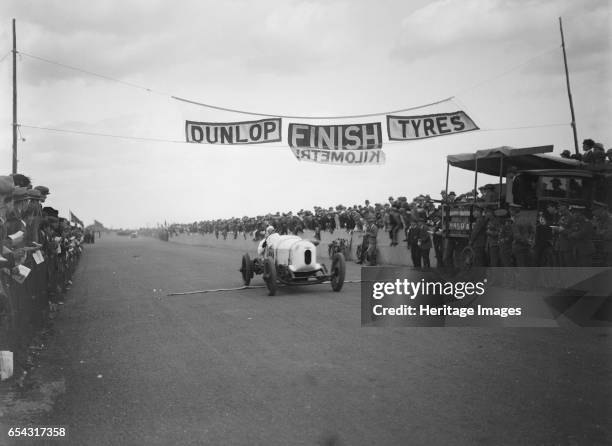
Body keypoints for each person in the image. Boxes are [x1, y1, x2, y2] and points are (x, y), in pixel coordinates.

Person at [593, 201, 612, 266]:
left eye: (596, 211)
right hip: (602, 248)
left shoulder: (610, 220)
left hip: (609, 248)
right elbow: (595, 232)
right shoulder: (599, 220)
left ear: (603, 210)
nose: (594, 213)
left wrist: (600, 232)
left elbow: (608, 235)